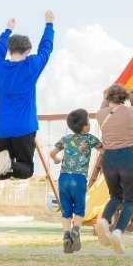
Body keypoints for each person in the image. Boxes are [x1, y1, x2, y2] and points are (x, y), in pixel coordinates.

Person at [0, 12, 55, 181]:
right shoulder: (32, 65)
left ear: (9, 49)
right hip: (24, 128)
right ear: (28, 51)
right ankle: (5, 164)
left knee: (1, 174)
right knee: (26, 169)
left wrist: (7, 30)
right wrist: (49, 25)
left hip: (2, 129)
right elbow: (46, 48)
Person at [94, 85, 133, 254]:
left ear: (108, 98)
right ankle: (118, 231)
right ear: (124, 97)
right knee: (130, 200)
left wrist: (104, 97)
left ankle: (104, 220)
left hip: (108, 159)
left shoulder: (101, 115)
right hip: (128, 156)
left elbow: (102, 110)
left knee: (115, 196)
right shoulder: (132, 112)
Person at [50, 109, 103, 254]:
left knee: (66, 210)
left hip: (64, 178)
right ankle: (76, 231)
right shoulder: (90, 138)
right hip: (79, 178)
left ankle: (66, 236)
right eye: (88, 121)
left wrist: (57, 160)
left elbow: (52, 153)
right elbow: (103, 150)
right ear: (85, 126)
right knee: (79, 208)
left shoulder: (66, 139)